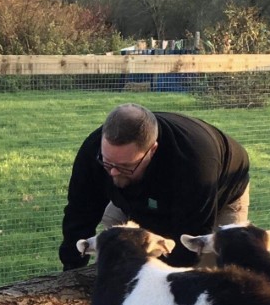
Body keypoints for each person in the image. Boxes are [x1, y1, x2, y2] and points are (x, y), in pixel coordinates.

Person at [58, 103, 250, 270]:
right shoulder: (93, 150)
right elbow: (80, 211)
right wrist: (72, 267)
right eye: (107, 163)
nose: (113, 172)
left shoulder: (194, 165)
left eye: (125, 166)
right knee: (116, 243)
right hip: (141, 196)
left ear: (152, 150)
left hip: (218, 194)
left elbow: (189, 241)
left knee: (211, 273)